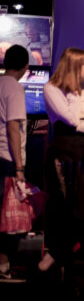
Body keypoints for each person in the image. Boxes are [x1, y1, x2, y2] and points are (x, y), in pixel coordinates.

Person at [38, 48, 84, 274]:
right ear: (76, 67)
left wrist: (80, 121)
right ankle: (59, 260)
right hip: (63, 152)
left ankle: (58, 255)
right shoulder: (51, 88)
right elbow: (68, 119)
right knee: (65, 207)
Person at [0, 45, 29, 282]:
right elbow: (13, 126)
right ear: (26, 67)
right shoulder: (14, 87)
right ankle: (3, 267)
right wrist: (19, 167)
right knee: (7, 220)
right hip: (6, 159)